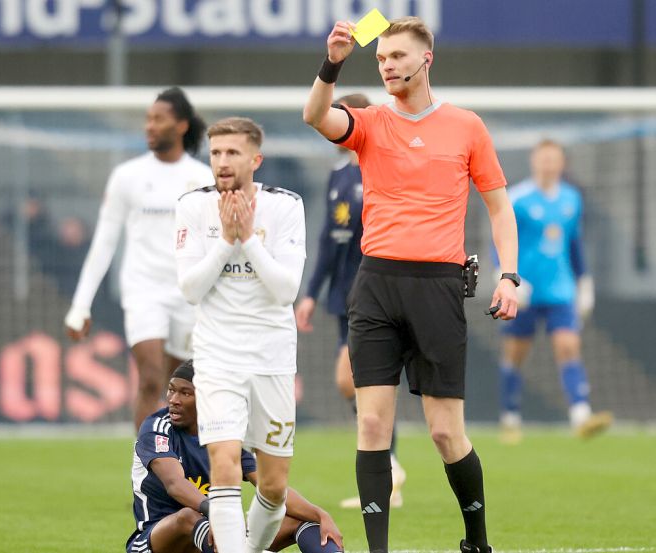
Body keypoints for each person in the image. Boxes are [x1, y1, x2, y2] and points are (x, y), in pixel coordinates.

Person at [303, 16, 520, 553]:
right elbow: (314, 116)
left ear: (426, 59)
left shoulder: (467, 126)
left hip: (438, 286)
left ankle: (477, 542)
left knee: (446, 433)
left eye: (397, 56)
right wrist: (334, 60)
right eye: (380, 58)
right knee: (372, 425)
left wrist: (510, 275)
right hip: (375, 284)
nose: (387, 65)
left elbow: (498, 207)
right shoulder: (371, 122)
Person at [175, 117, 306, 553]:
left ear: (256, 159)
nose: (222, 161)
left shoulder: (286, 206)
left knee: (273, 486)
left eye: (232, 153)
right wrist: (225, 242)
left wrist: (247, 239)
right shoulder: (193, 206)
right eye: (215, 153)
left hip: (271, 356)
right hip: (217, 357)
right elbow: (191, 289)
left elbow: (286, 289)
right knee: (225, 464)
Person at [64, 87, 214, 431]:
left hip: (188, 294)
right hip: (143, 291)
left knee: (184, 387)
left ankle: (183, 464)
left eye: (158, 119)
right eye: (148, 119)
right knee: (149, 379)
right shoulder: (127, 177)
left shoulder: (202, 178)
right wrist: (80, 304)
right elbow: (104, 241)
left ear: (180, 126)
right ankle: (146, 469)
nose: (149, 126)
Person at [295, 93, 407, 510]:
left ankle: (388, 465)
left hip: (378, 290)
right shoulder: (338, 174)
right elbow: (329, 238)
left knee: (359, 379)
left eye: (338, 114)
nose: (330, 122)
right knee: (354, 382)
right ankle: (389, 465)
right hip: (345, 294)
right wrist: (310, 294)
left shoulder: (383, 165)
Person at [128, 360, 343, 553]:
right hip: (156, 540)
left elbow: (269, 486)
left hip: (215, 535)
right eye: (171, 390)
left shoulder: (228, 433)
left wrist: (320, 514)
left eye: (185, 393)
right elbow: (174, 483)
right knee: (187, 517)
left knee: (300, 519)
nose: (173, 400)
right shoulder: (157, 428)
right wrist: (219, 514)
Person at [495, 139, 612, 444]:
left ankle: (580, 415)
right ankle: (510, 415)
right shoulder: (518, 198)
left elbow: (573, 244)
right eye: (543, 159)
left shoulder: (572, 199)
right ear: (535, 161)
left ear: (561, 163)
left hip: (560, 290)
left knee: (568, 347)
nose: (548, 164)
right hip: (525, 291)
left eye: (554, 159)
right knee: (515, 356)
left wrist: (584, 282)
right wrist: (507, 276)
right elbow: (503, 235)